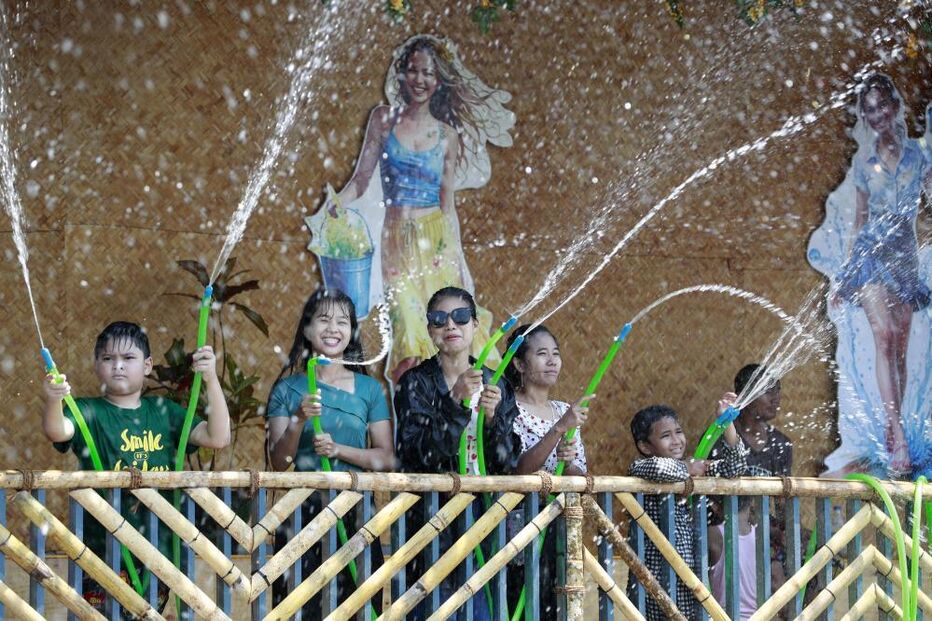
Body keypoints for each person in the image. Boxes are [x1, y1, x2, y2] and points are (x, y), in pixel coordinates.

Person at [316, 34, 514, 383]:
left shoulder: (447, 136)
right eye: (413, 71)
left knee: (451, 332)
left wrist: (463, 266)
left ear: (438, 82)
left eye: (428, 73)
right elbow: (360, 181)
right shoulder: (383, 119)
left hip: (437, 241)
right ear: (401, 74)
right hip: (397, 241)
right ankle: (412, 413)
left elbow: (447, 204)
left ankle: (457, 411)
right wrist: (334, 205)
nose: (420, 80)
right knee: (408, 328)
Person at [41, 321, 231, 612]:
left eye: (128, 358)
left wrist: (211, 381)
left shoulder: (164, 411)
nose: (118, 366)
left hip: (158, 546)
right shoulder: (87, 410)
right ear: (96, 366)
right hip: (102, 548)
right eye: (108, 358)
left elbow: (218, 437)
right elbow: (57, 431)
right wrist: (54, 400)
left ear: (147, 366)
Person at [394, 286, 521, 620]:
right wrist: (454, 402)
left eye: (461, 317)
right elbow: (418, 455)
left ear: (476, 325)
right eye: (439, 319)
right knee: (434, 607)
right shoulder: (415, 383)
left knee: (485, 608)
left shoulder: (497, 383)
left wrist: (493, 421)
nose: (450, 325)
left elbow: (508, 463)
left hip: (486, 513)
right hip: (432, 516)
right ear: (430, 331)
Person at [266, 288, 393, 619]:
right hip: (301, 513)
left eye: (343, 321)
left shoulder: (369, 390)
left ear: (351, 332)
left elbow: (386, 459)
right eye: (323, 319)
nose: (333, 328)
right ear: (307, 329)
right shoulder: (287, 389)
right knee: (298, 607)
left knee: (361, 606)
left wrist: (339, 450)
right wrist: (298, 420)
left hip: (356, 511)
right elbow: (278, 464)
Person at [829, 73, 931, 475]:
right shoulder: (862, 164)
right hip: (871, 255)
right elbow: (859, 221)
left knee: (900, 347)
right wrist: (844, 275)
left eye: (880, 106)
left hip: (903, 257)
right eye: (868, 110)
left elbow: (927, 201)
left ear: (894, 107)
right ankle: (896, 431)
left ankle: (897, 422)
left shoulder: (916, 157)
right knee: (884, 337)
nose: (875, 115)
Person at [626, 400, 747, 621]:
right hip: (654, 583)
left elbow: (736, 467)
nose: (676, 440)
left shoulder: (694, 468)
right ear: (645, 447)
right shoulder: (641, 469)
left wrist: (728, 423)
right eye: (666, 436)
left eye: (678, 432)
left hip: (691, 579)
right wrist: (689, 468)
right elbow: (657, 467)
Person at [502, 324, 592, 619]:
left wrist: (571, 464)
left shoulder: (564, 408)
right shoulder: (508, 407)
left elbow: (581, 477)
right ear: (519, 364)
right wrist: (559, 430)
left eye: (555, 353)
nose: (552, 361)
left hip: (560, 528)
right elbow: (518, 470)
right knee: (522, 603)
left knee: (557, 606)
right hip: (521, 527)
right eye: (542, 354)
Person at [710, 364, 791, 596]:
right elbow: (713, 498)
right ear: (745, 397)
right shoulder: (723, 438)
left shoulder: (782, 444)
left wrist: (783, 531)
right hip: (732, 532)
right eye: (768, 391)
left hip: (769, 532)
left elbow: (783, 503)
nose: (776, 398)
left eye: (778, 390)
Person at [708, 496, 763, 621]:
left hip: (724, 617)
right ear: (752, 502)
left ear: (715, 507)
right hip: (760, 616)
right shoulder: (761, 536)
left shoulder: (713, 535)